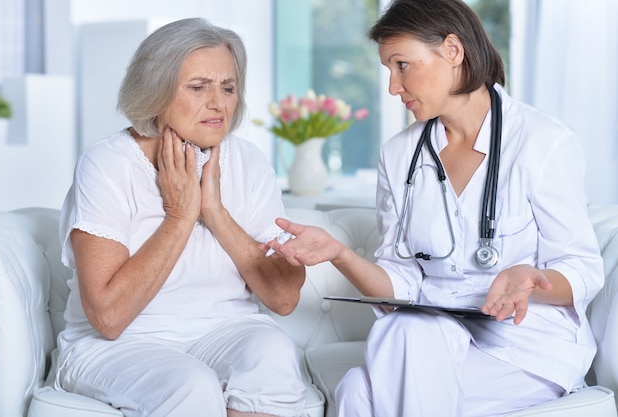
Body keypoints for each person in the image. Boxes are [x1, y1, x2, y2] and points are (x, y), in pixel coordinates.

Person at [266, 0, 604, 416]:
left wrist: (531, 279)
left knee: (360, 389)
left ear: (452, 50)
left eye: (402, 64)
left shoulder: (543, 142)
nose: (393, 86)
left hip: (525, 348)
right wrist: (339, 253)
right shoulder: (398, 155)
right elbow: (400, 286)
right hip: (431, 338)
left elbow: (584, 269)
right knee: (402, 337)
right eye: (388, 70)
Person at [54, 18, 307, 417]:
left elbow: (283, 298)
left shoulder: (249, 162)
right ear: (154, 92)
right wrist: (179, 216)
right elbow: (108, 317)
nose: (219, 103)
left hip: (223, 331)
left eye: (228, 87)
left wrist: (214, 211)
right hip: (119, 345)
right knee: (191, 385)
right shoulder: (106, 164)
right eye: (198, 86)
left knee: (273, 354)